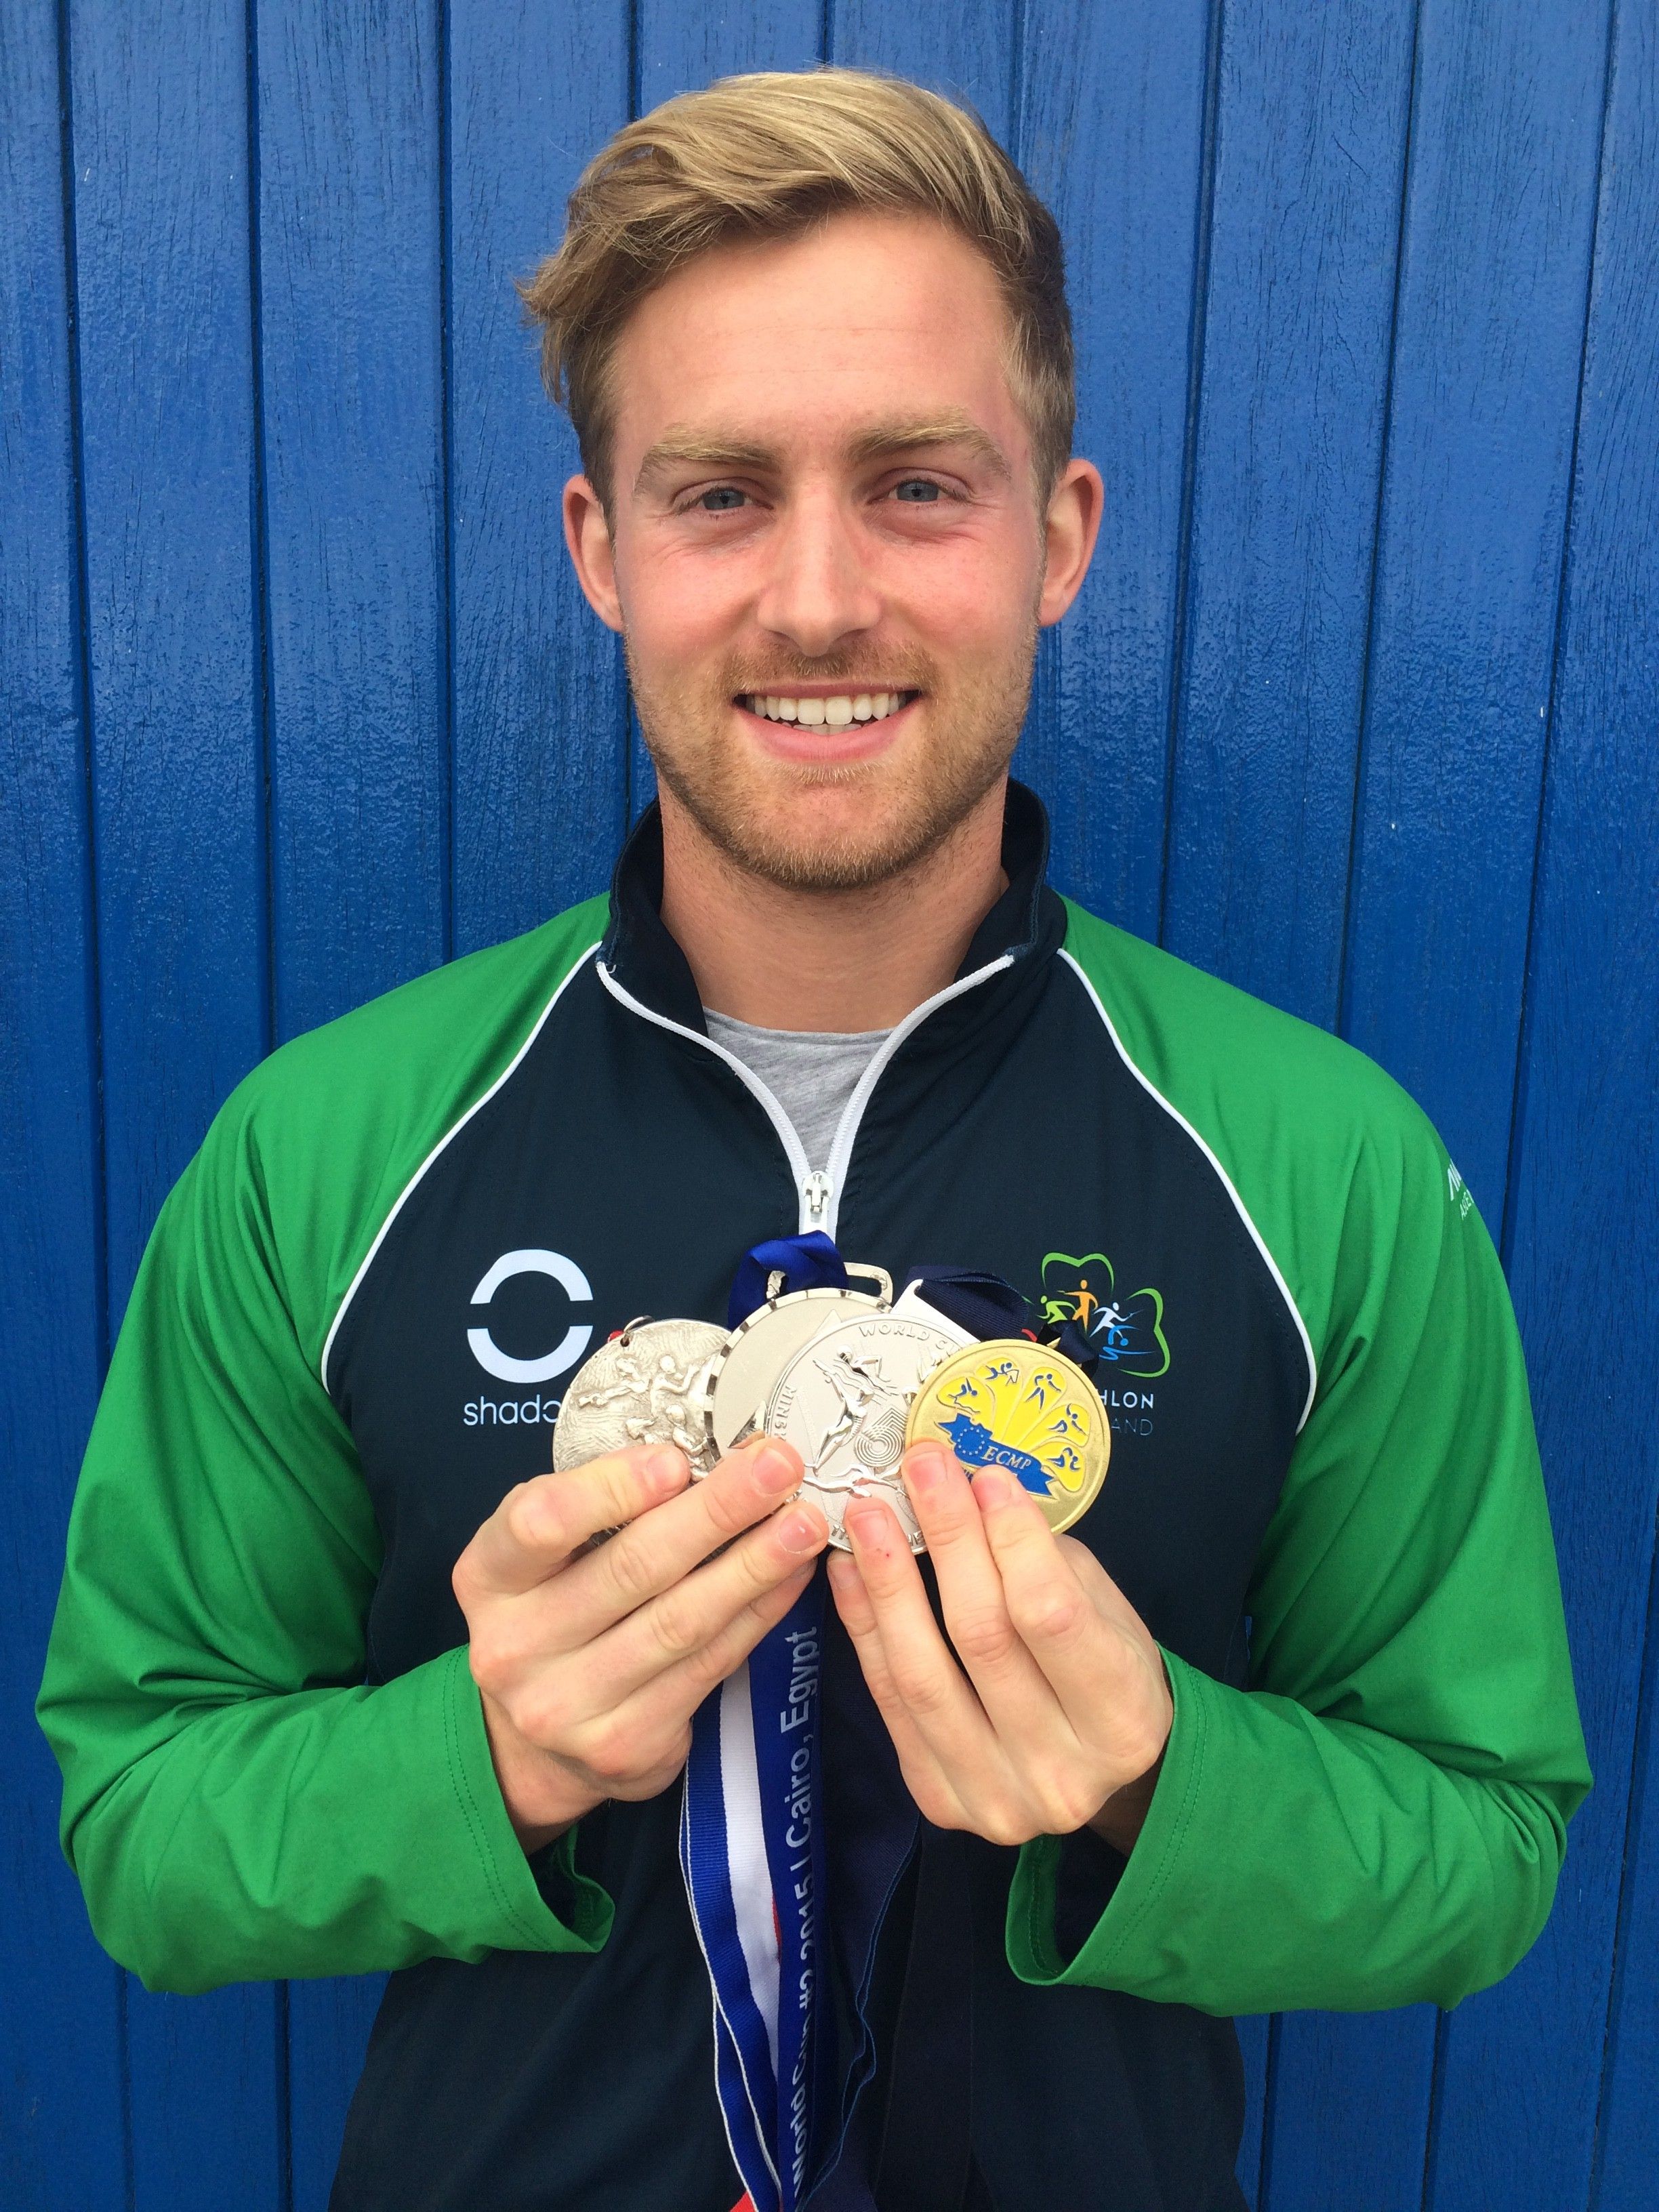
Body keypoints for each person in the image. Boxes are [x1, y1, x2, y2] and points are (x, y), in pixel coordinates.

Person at [38, 66, 1589, 2212]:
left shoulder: (1327, 1168)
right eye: (720, 495)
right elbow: (139, 1821)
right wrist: (473, 1757)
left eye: (920, 485)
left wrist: (1165, 1779)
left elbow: (1487, 1841)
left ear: (1058, 537)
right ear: (603, 551)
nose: (818, 598)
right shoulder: (324, 1154)